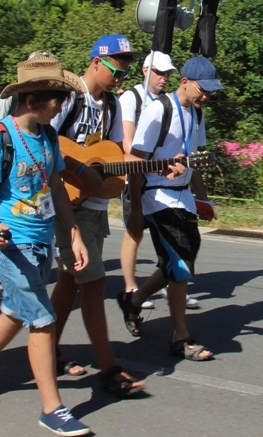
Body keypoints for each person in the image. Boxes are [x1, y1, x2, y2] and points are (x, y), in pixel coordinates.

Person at [0, 54, 91, 436]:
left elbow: (55, 188)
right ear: (32, 101)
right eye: (57, 101)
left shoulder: (49, 135)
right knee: (43, 318)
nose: (62, 107)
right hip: (9, 243)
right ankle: (52, 409)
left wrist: (73, 233)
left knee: (17, 312)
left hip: (40, 241)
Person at [48, 34, 146, 393]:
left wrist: (158, 166)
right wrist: (77, 167)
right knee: (95, 283)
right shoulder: (69, 98)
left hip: (96, 207)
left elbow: (120, 153)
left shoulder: (113, 106)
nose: (120, 81)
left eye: (124, 75)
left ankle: (49, 350)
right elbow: (46, 143)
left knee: (70, 282)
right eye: (115, 72)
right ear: (95, 63)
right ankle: (108, 367)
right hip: (67, 205)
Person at [120, 56, 220, 361]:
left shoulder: (197, 114)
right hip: (156, 196)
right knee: (179, 264)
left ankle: (134, 301)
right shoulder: (158, 110)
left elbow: (195, 160)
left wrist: (201, 199)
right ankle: (181, 337)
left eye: (211, 91)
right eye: (203, 89)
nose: (207, 96)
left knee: (178, 260)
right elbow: (135, 162)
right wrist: (136, 211)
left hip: (183, 197)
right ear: (186, 81)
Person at [118, 52, 200, 311]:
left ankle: (160, 287)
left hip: (168, 183)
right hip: (139, 178)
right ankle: (131, 287)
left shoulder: (186, 108)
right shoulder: (133, 98)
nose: (164, 77)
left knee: (177, 248)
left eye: (167, 73)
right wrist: (155, 164)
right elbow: (130, 145)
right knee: (134, 233)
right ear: (145, 70)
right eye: (159, 72)